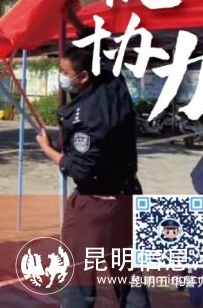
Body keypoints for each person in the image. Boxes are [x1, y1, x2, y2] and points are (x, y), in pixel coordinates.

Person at [35, 45, 150, 308]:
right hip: (127, 197)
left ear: (84, 76)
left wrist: (49, 150)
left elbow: (81, 170)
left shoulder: (87, 116)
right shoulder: (114, 85)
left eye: (65, 72)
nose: (62, 78)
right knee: (127, 272)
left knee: (78, 277)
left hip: (95, 203)